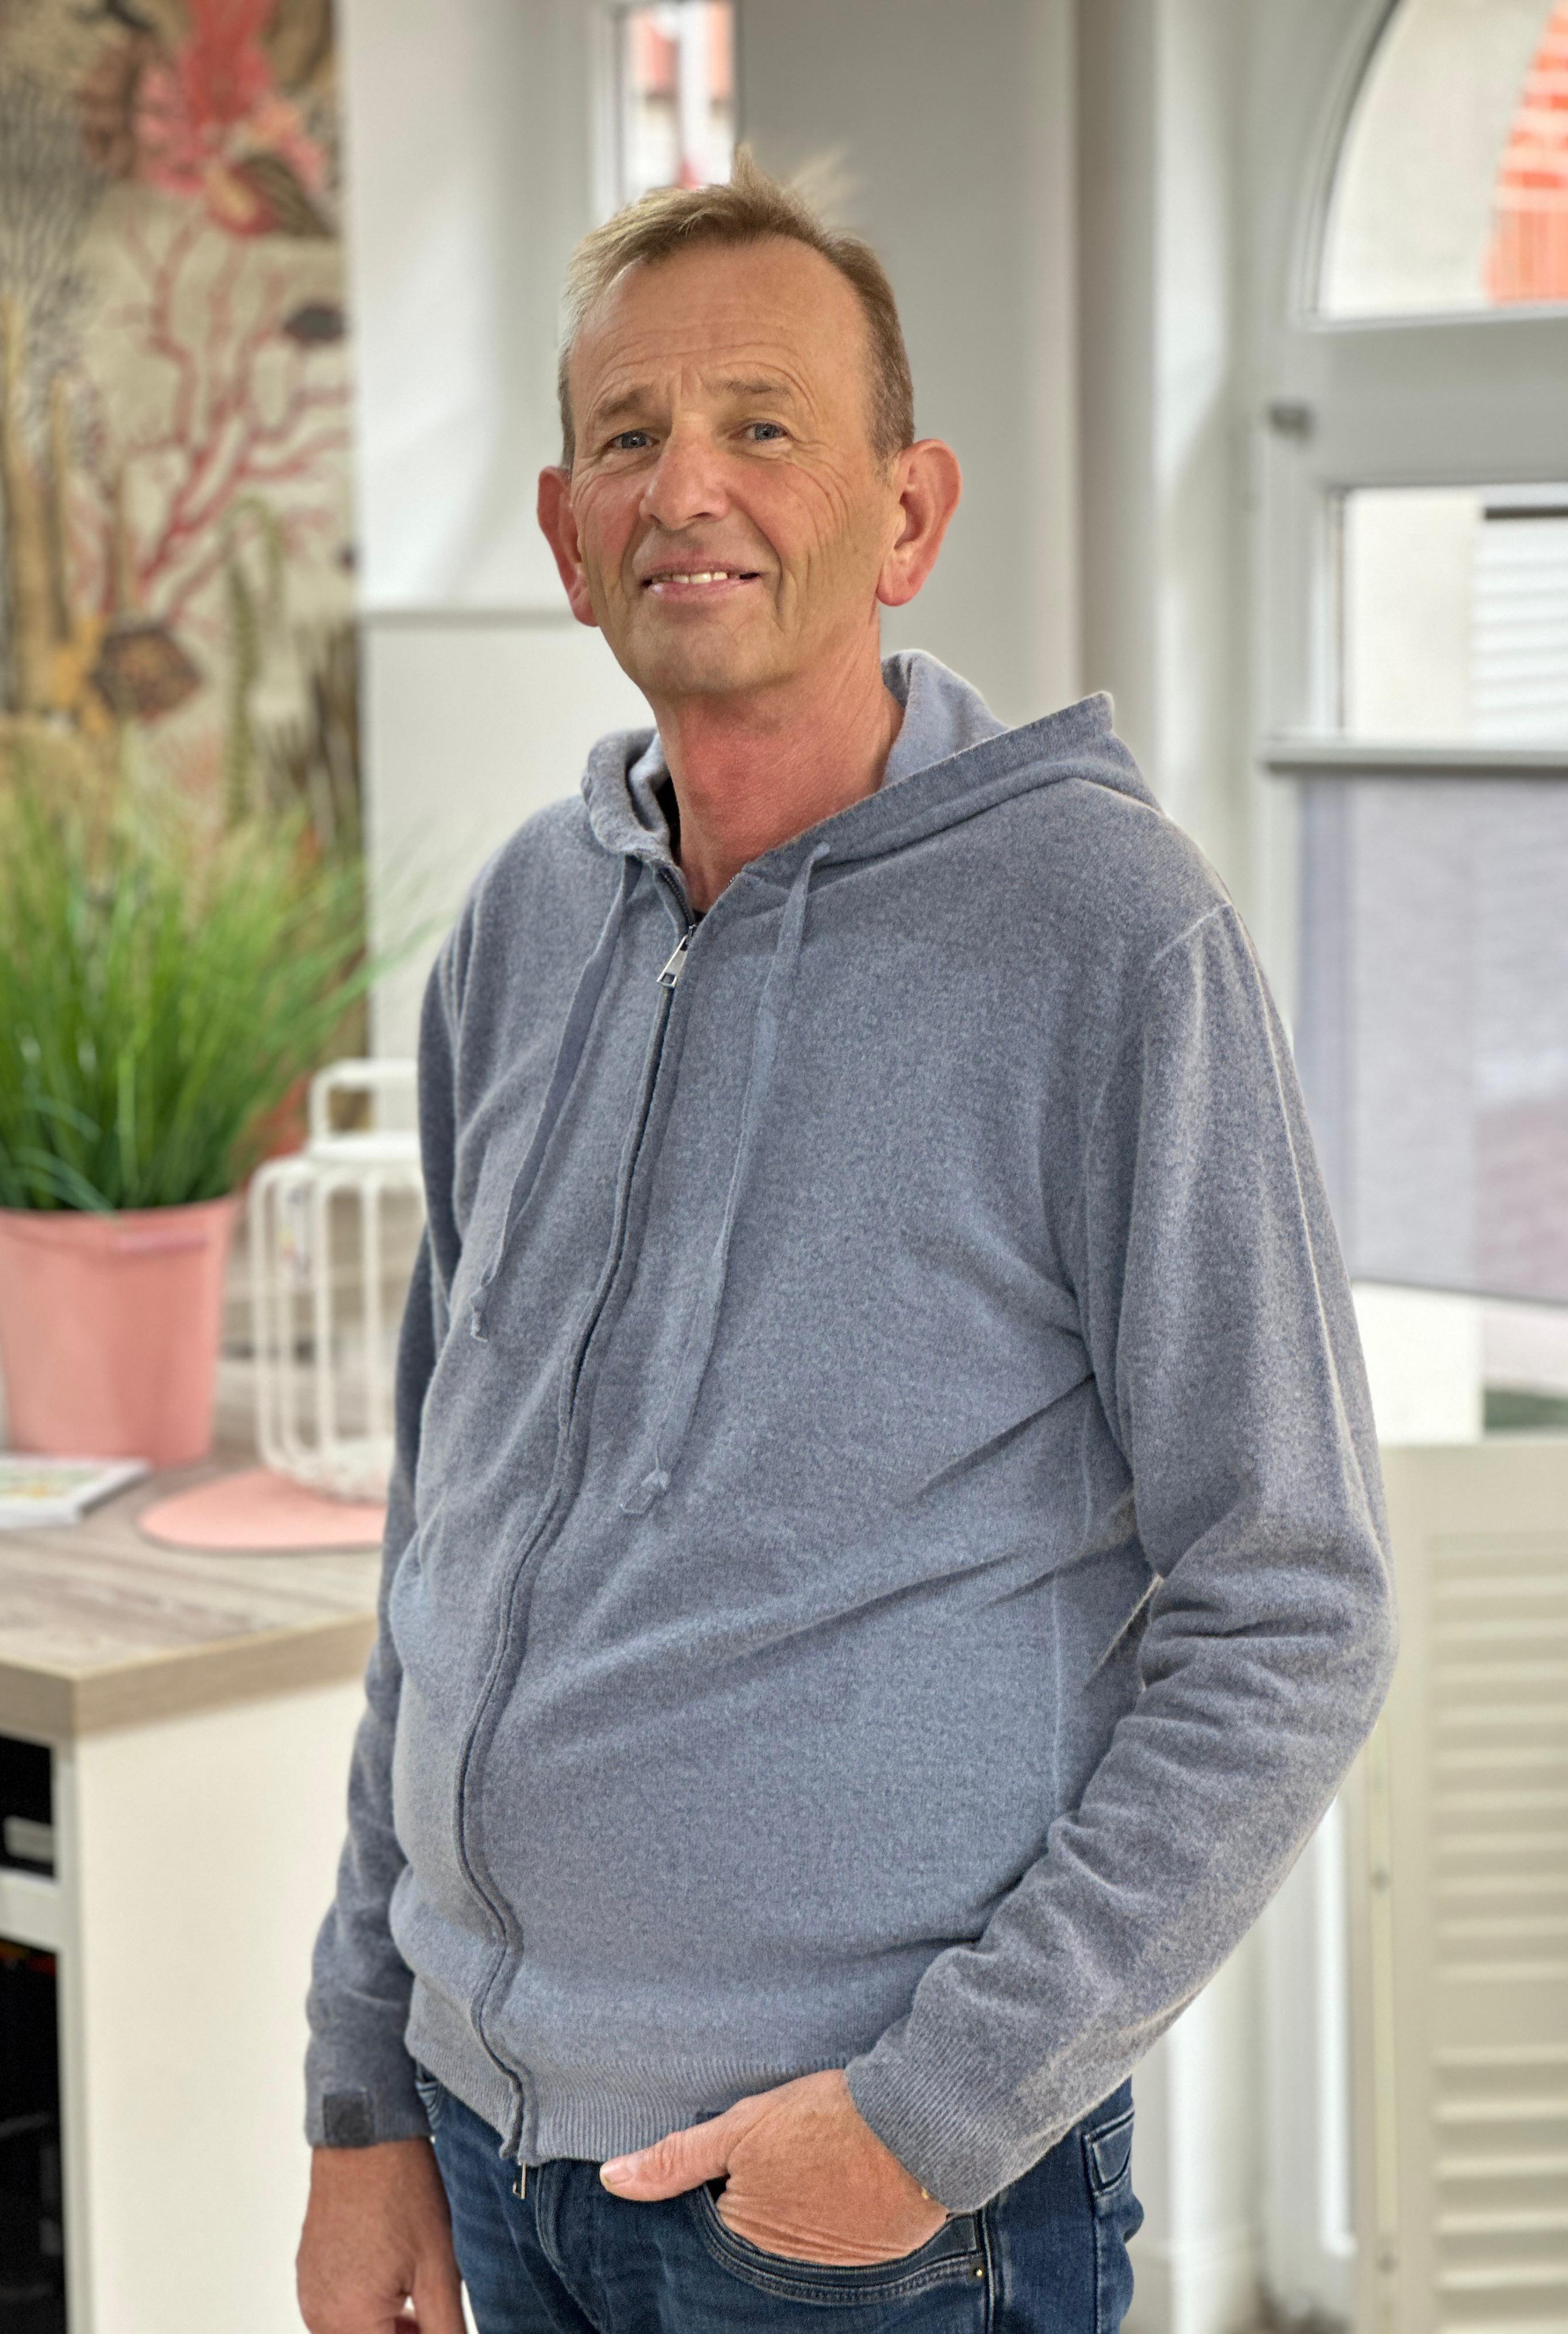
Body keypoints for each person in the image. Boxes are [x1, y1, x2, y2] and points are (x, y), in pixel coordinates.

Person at [296, 155, 1395, 2334]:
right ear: (566, 532)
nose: (686, 485)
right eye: (630, 437)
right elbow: (446, 1547)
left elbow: (1296, 1606)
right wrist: (364, 2084)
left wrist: (926, 2116)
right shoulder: (521, 924)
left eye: (764, 425)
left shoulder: (1105, 935)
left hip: (860, 2213)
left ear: (908, 515)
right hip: (492, 2154)